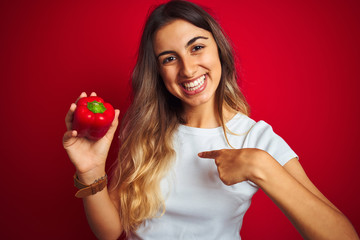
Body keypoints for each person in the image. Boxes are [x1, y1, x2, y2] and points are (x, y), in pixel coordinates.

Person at [63, 0, 359, 239]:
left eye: (197, 47)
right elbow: (110, 231)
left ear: (219, 48)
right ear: (157, 71)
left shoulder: (257, 140)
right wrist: (91, 172)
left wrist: (260, 165)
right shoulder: (145, 130)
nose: (188, 69)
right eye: (169, 58)